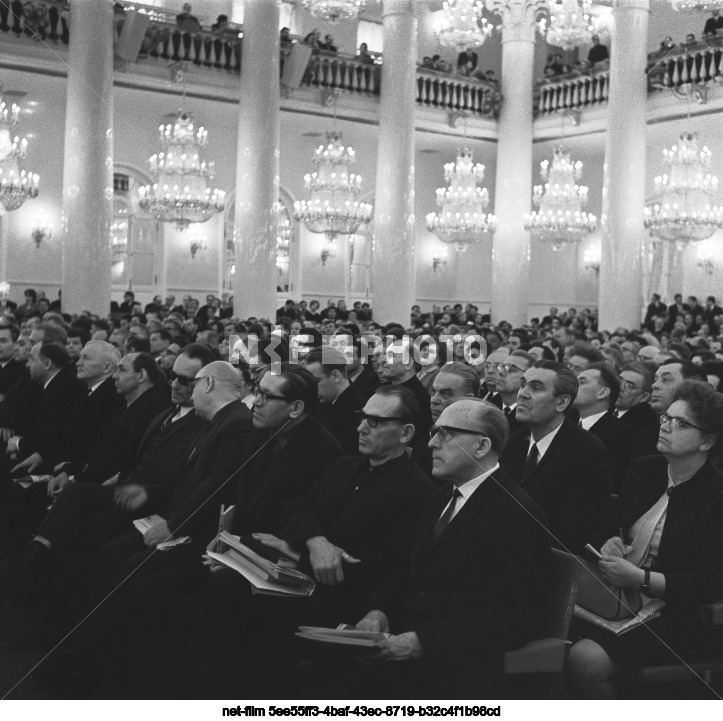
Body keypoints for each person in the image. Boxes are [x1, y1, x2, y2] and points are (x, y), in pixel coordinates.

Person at [169, 385, 434, 698]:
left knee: (226, 607)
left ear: (405, 433)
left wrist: (295, 552)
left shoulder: (418, 491)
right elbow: (298, 508)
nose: (361, 427)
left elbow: (380, 564)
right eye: (363, 418)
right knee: (203, 602)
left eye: (375, 422)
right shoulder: (344, 467)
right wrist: (314, 540)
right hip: (297, 580)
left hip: (339, 597)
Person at [329, 400, 549, 698]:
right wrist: (380, 610)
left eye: (444, 434)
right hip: (410, 651)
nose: (431, 443)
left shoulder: (518, 514)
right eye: (434, 432)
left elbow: (511, 620)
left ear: (482, 446)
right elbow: (409, 571)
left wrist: (423, 643)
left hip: (458, 672)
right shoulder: (442, 496)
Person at [567, 381, 723, 698]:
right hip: (621, 595)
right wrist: (611, 543)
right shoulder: (645, 469)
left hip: (681, 615)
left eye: (680, 423)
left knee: (586, 659)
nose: (665, 426)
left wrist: (642, 578)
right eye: (666, 418)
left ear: (706, 441)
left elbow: (711, 583)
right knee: (550, 626)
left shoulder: (716, 495)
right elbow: (609, 529)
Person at [500, 360, 613, 555]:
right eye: (523, 384)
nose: (523, 394)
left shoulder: (588, 452)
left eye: (536, 388)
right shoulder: (512, 444)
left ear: (562, 402)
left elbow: (572, 533)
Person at [305, 346, 365, 455]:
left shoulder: (356, 413)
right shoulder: (324, 402)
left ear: (336, 376)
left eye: (316, 381)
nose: (312, 389)